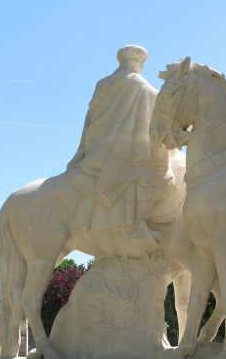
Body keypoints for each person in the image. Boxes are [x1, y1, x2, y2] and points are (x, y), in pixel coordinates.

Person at [67, 44, 172, 242]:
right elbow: (163, 103)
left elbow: (90, 119)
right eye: (141, 63)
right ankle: (136, 225)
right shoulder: (137, 83)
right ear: (135, 62)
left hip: (95, 149)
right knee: (162, 177)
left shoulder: (103, 83)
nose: (141, 67)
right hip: (119, 151)